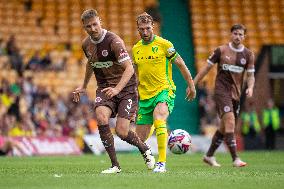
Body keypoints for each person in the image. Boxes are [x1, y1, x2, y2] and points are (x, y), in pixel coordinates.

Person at [72, 9, 155, 174]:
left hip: (126, 89)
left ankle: (144, 148)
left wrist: (117, 89)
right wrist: (83, 85)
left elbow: (130, 68)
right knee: (101, 117)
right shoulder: (86, 44)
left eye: (95, 24)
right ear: (84, 27)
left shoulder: (114, 41)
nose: (93, 28)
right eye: (89, 26)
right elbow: (90, 64)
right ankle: (115, 165)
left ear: (100, 22)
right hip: (104, 87)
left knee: (122, 132)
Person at [132, 12, 196, 173]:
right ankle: (152, 142)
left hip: (164, 90)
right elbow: (135, 73)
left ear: (153, 26)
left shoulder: (165, 44)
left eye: (148, 28)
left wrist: (191, 85)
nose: (145, 32)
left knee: (160, 118)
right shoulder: (136, 49)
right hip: (145, 96)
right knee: (139, 139)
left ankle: (162, 163)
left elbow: (180, 64)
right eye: (142, 29)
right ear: (138, 29)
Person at [194, 24, 255, 167]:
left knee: (223, 127)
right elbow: (206, 68)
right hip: (221, 92)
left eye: (240, 34)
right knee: (230, 122)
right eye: (235, 33)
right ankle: (235, 159)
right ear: (230, 34)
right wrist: (193, 83)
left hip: (236, 95)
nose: (238, 36)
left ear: (244, 36)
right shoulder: (221, 50)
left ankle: (209, 156)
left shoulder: (248, 55)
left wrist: (251, 87)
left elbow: (251, 76)